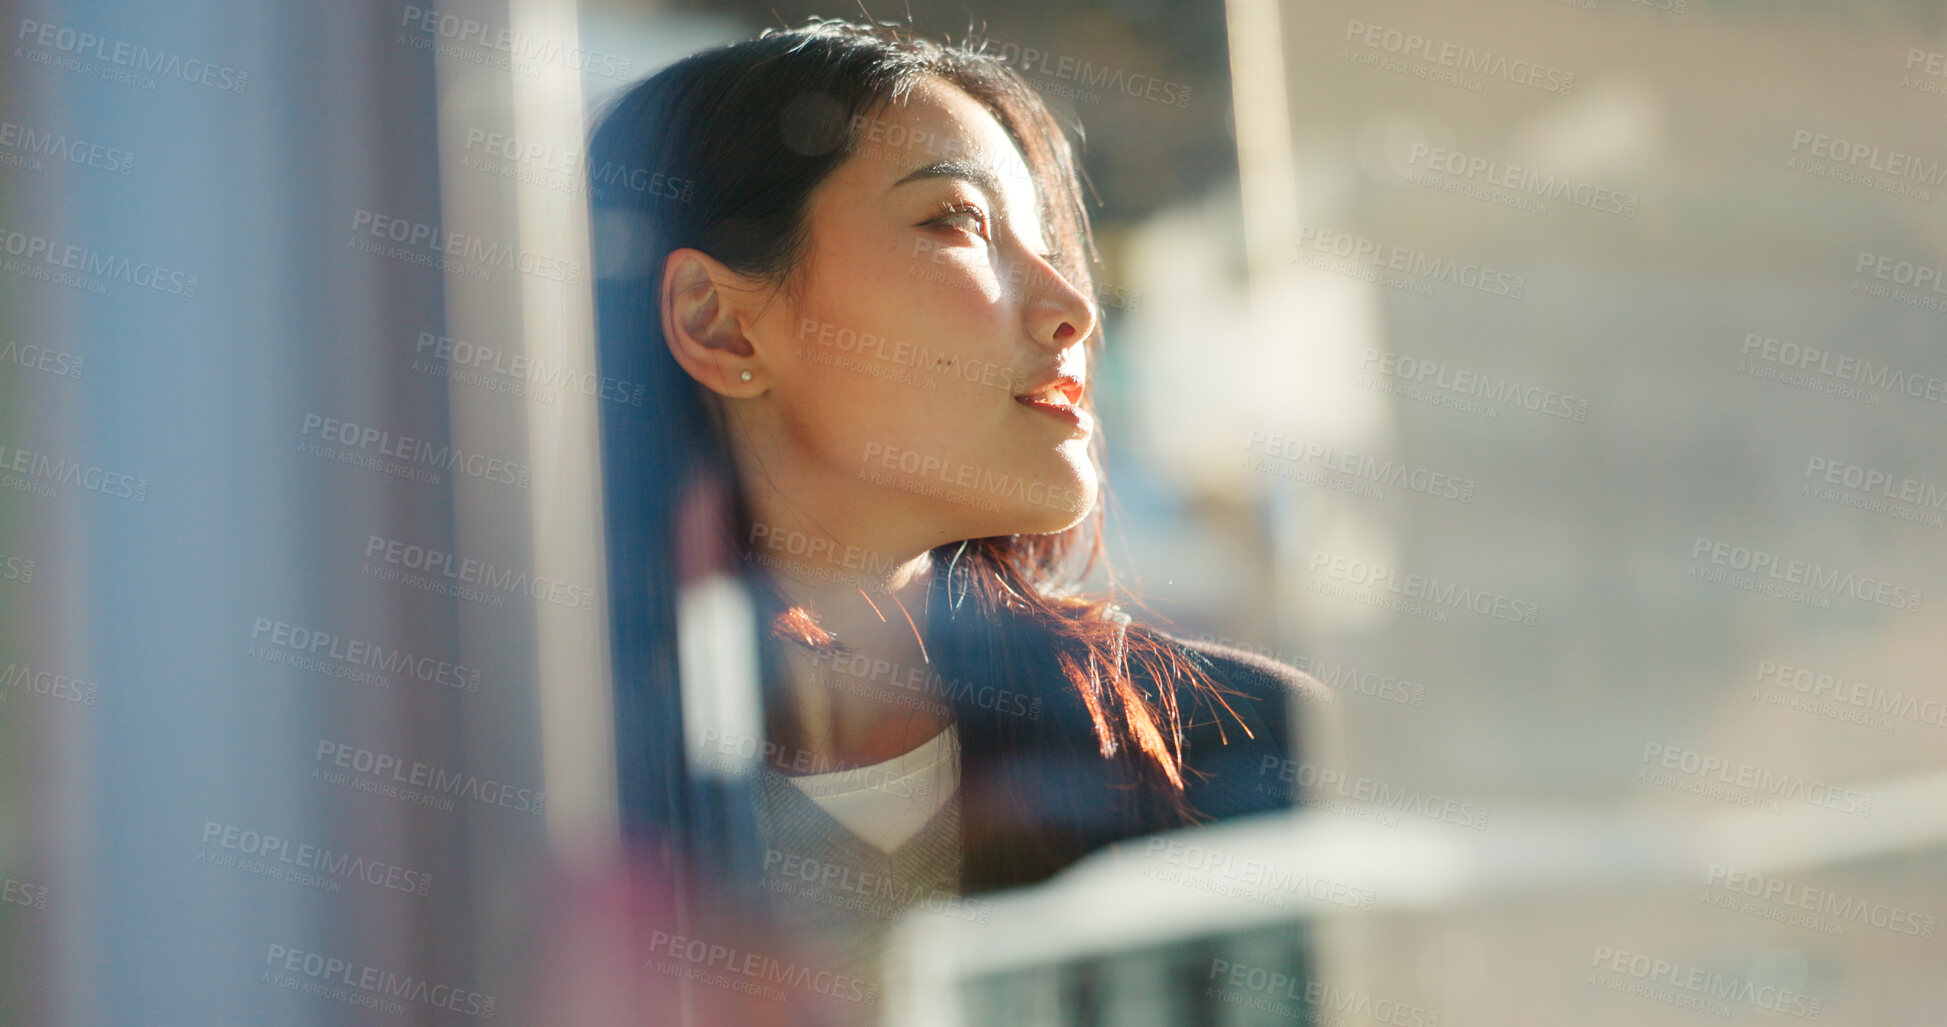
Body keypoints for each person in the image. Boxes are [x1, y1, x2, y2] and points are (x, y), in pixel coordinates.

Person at [587, 18, 1325, 1017]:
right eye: (960, 222)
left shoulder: (1237, 745)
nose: (1073, 305)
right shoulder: (546, 780)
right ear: (718, 321)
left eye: (1053, 246)